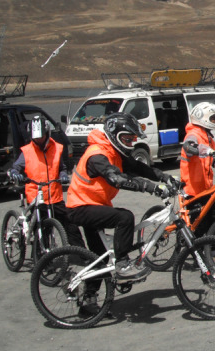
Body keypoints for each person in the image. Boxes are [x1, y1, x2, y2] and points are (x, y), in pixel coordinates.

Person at [66, 113, 179, 284]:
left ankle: (89, 301)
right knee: (124, 218)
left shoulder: (113, 151)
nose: (131, 143)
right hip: (80, 207)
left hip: (96, 205)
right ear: (114, 135)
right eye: (127, 139)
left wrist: (164, 177)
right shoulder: (97, 155)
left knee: (100, 260)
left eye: (133, 139)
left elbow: (139, 167)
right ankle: (123, 264)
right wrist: (150, 187)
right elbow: (116, 179)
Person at [7, 115, 84, 249]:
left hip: (54, 195)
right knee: (41, 228)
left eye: (41, 137)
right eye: (35, 138)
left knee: (69, 224)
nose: (38, 140)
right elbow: (16, 167)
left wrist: (64, 175)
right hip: (37, 197)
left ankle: (81, 252)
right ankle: (41, 256)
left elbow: (62, 168)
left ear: (47, 134)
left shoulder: (57, 148)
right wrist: (15, 173)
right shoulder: (27, 151)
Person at [180, 101, 215, 236]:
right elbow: (188, 147)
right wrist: (207, 151)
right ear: (203, 119)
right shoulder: (194, 134)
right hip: (193, 189)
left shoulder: (208, 137)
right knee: (200, 224)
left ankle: (213, 251)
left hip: (205, 187)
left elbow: (210, 160)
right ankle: (197, 251)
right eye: (212, 118)